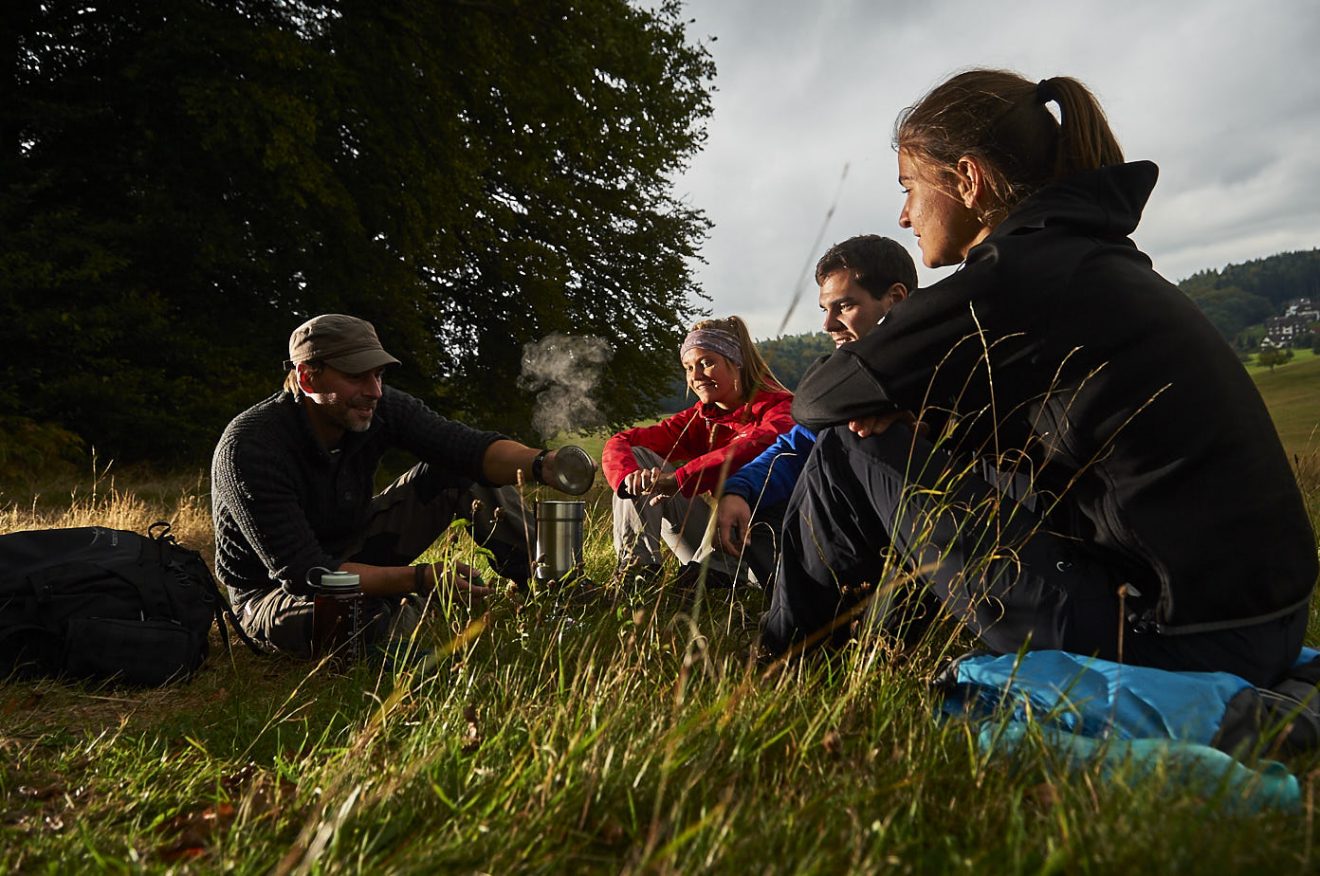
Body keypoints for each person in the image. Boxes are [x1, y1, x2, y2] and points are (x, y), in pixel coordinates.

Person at [760, 70, 1317, 686]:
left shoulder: (1017, 277)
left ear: (968, 180)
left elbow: (816, 400)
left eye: (910, 188)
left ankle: (784, 673)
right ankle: (877, 647)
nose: (904, 215)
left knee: (850, 445)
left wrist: (893, 412)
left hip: (1172, 641)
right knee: (918, 444)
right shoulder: (1087, 258)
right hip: (1261, 625)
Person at [211, 313, 590, 658]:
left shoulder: (378, 407)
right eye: (356, 376)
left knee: (456, 471)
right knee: (351, 617)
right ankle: (406, 633)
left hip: (356, 547)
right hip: (277, 593)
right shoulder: (251, 447)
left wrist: (543, 464)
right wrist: (419, 578)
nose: (374, 390)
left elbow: (466, 448)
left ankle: (563, 594)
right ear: (308, 375)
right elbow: (308, 574)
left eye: (378, 375)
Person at [715, 235, 917, 588]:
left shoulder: (940, 363)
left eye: (845, 306)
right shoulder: (840, 385)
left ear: (895, 299)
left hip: (925, 539)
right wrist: (739, 489)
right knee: (762, 508)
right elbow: (791, 449)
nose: (828, 325)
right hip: (859, 542)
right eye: (826, 309)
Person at [602, 316, 794, 587]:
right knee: (639, 459)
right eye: (689, 367)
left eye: (707, 363)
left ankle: (719, 576)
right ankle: (637, 574)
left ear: (736, 361)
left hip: (763, 540)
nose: (696, 376)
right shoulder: (699, 419)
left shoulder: (779, 408)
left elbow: (752, 449)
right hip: (713, 538)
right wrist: (628, 477)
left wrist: (679, 479)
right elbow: (622, 441)